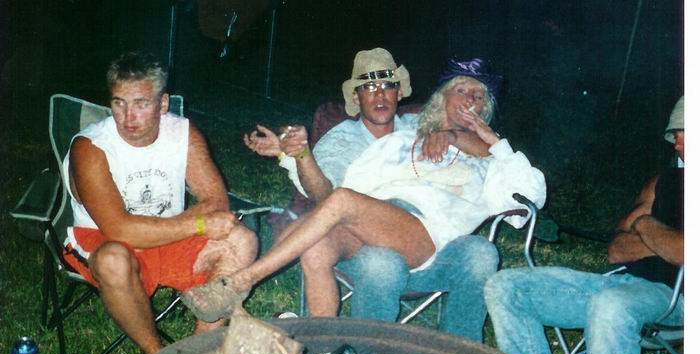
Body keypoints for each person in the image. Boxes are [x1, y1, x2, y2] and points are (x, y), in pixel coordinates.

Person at [192, 56, 546, 333]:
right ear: (442, 98)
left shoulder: (493, 160)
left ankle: (243, 280)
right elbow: (338, 189)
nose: (470, 99)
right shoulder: (404, 137)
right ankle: (324, 344)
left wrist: (488, 141)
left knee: (344, 202)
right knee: (318, 245)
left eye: (479, 95)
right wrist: (292, 157)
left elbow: (531, 194)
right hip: (373, 224)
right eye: (461, 90)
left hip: (427, 232)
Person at [483, 97, 684, 354]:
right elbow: (616, 249)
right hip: (623, 282)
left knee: (612, 305)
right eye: (675, 134)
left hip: (676, 298)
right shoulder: (662, 182)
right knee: (506, 287)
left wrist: (646, 226)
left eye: (686, 133)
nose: (677, 143)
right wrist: (663, 240)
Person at [62, 51, 258, 354]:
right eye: (119, 103)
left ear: (163, 103)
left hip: (169, 235)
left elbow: (216, 201)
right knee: (113, 260)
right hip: (103, 242)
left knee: (242, 240)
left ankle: (196, 352)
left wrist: (182, 226)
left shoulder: (182, 134)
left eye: (141, 104)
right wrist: (197, 224)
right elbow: (119, 230)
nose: (129, 117)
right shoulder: (90, 147)